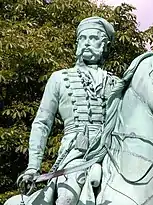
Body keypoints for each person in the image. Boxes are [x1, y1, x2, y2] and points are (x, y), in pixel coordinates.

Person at [20, 16, 119, 205]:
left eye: (93, 38)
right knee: (67, 197)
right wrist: (33, 166)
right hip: (76, 153)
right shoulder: (59, 78)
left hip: (112, 153)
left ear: (105, 45)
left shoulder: (115, 83)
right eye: (83, 38)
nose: (87, 43)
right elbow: (42, 122)